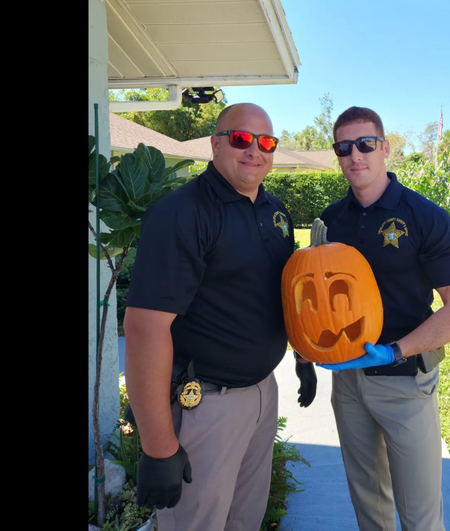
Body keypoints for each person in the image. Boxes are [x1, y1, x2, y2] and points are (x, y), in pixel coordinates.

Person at [122, 102, 316, 531]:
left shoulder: (275, 210)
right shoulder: (182, 213)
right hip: (204, 404)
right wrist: (158, 447)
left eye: (266, 142)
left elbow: (283, 295)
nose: (255, 150)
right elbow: (144, 328)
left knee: (244, 520)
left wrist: (303, 355)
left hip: (262, 393)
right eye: (242, 139)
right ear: (215, 144)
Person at [316, 106, 450, 531]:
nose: (355, 154)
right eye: (344, 147)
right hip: (347, 381)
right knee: (368, 503)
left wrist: (394, 351)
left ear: (385, 148)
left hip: (406, 382)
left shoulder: (424, 216)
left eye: (365, 144)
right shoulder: (331, 221)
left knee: (420, 514)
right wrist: (304, 355)